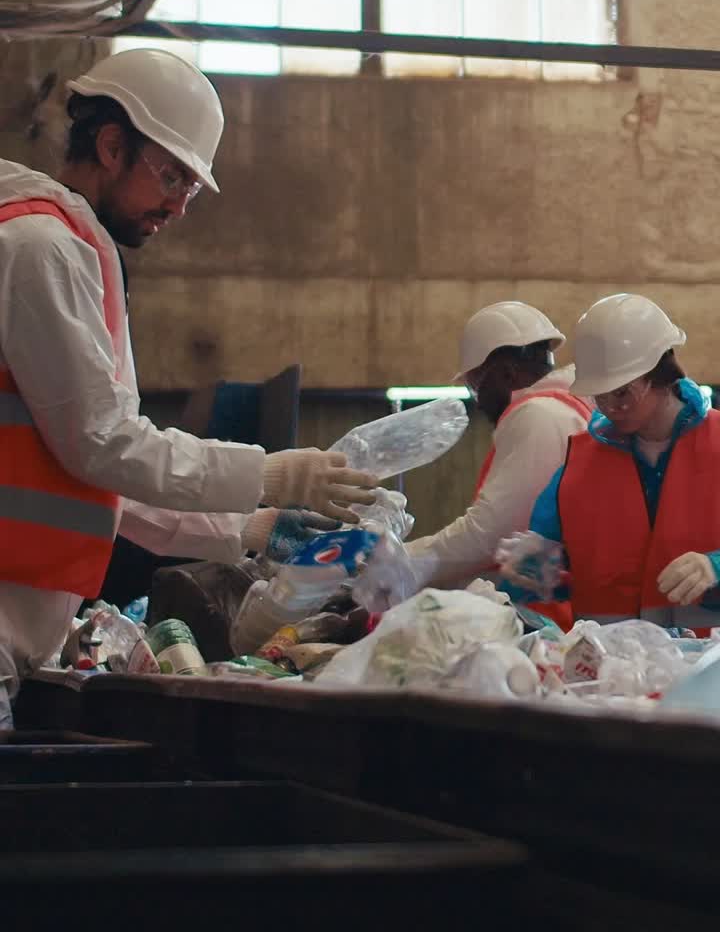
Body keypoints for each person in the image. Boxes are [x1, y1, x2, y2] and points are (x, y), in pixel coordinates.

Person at [0, 48, 377, 699]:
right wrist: (270, 473)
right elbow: (105, 445)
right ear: (113, 147)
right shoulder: (42, 249)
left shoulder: (63, 246)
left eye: (190, 189)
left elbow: (93, 474)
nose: (177, 207)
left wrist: (246, 528)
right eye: (172, 177)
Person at [500, 294, 720, 631]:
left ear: (662, 375)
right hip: (611, 676)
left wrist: (715, 566)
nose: (610, 407)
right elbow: (559, 575)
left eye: (623, 393)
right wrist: (531, 574)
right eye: (600, 396)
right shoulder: (578, 469)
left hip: (709, 677)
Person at [406, 301, 592, 621]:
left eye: (475, 385)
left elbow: (489, 535)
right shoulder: (565, 408)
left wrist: (403, 561)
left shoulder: (538, 416)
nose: (477, 401)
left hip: (550, 619)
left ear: (506, 372)